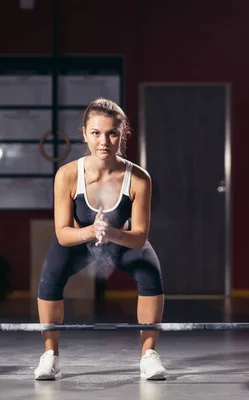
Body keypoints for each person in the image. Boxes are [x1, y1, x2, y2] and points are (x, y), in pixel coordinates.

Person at [34, 98, 167, 381]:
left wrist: (113, 233)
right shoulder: (67, 175)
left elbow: (140, 235)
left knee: (150, 271)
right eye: (96, 133)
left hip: (122, 241)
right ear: (84, 133)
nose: (103, 141)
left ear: (123, 134)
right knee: (50, 273)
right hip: (80, 240)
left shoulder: (139, 179)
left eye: (112, 133)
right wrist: (91, 232)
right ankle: (51, 356)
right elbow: (62, 232)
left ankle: (148, 356)